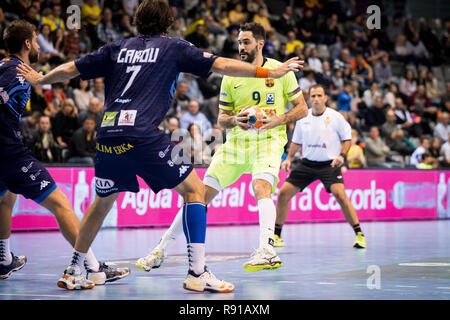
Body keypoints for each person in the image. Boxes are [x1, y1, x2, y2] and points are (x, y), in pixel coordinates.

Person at [18, 3, 301, 292]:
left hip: (108, 134)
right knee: (195, 192)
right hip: (141, 134)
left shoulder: (115, 47)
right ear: (167, 22)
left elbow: (71, 69)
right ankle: (197, 272)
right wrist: (269, 74)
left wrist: (42, 79)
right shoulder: (173, 47)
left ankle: (74, 268)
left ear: (137, 21)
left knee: (102, 202)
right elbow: (221, 64)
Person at [135, 22, 307, 274]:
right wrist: (235, 120)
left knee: (261, 187)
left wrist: (277, 120)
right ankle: (160, 250)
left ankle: (267, 250)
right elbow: (222, 119)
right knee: (198, 196)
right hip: (236, 143)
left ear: (260, 43)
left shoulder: (279, 71)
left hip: (268, 141)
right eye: (239, 42)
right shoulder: (231, 76)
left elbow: (301, 108)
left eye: (246, 42)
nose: (241, 47)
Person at [0, 20, 128, 283]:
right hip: (9, 152)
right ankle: (92, 267)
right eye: (35, 39)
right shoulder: (20, 75)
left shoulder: (1, 66)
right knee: (61, 205)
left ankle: (3, 259)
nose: (37, 44)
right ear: (26, 43)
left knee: (5, 197)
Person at [273, 85, 366, 249]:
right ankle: (276, 235)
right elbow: (296, 141)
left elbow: (347, 139)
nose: (316, 99)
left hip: (330, 164)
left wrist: (341, 156)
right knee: (282, 194)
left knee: (341, 196)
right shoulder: (303, 117)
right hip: (307, 164)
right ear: (309, 98)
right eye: (313, 96)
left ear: (325, 98)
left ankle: (359, 234)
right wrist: (288, 158)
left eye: (319, 95)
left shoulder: (336, 117)